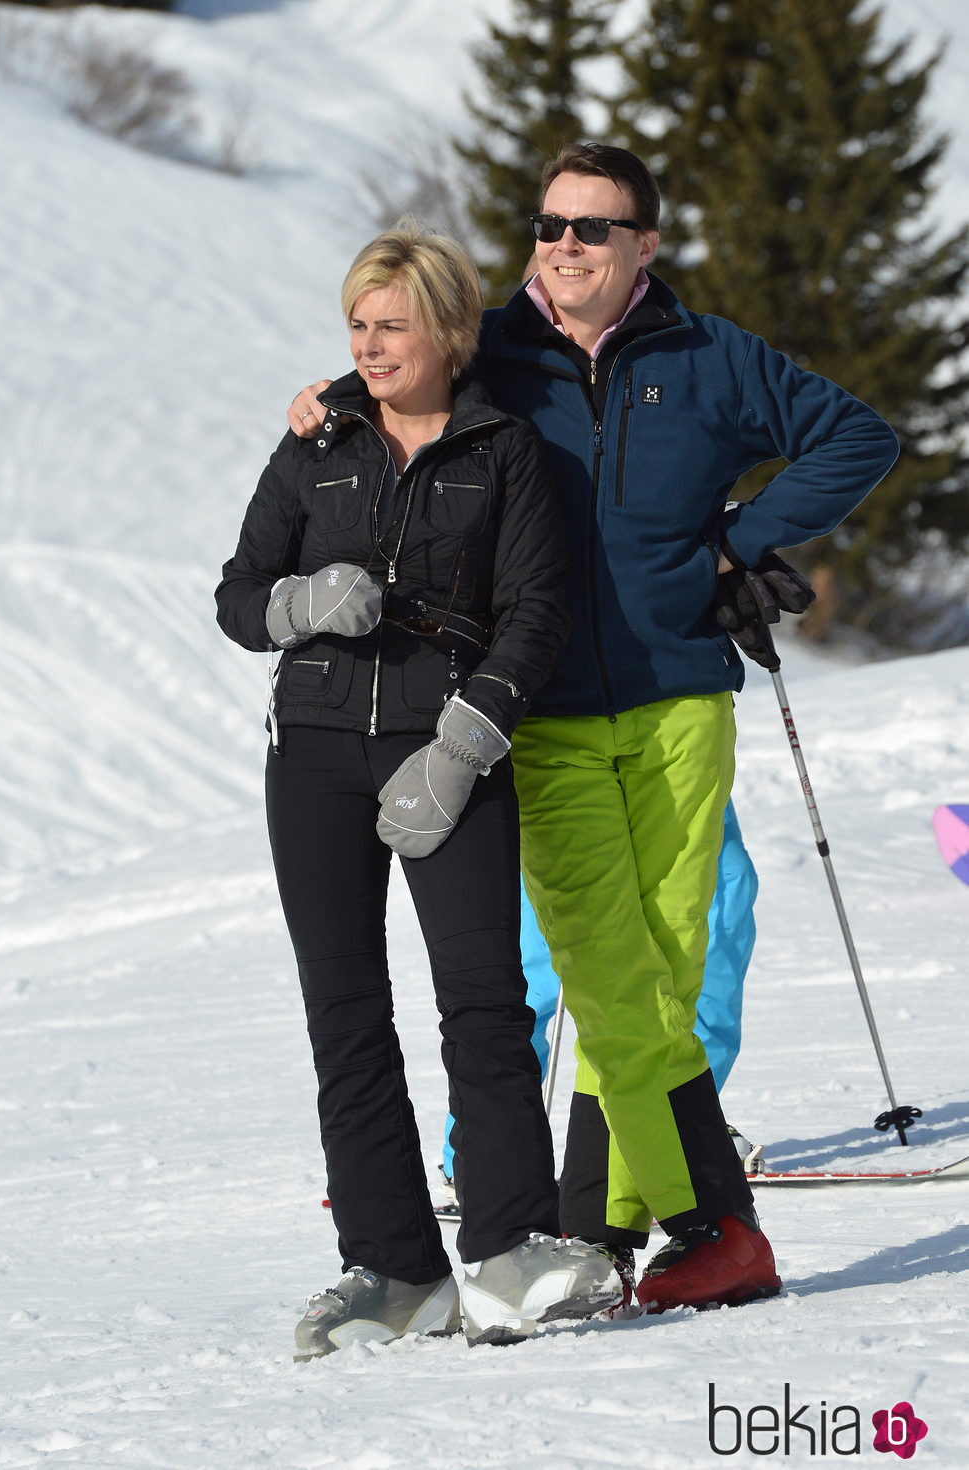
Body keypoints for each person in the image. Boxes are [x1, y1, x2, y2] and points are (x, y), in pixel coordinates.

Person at [287, 143, 900, 1315]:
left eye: (592, 228)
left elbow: (855, 438)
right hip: (545, 709)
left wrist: (742, 535)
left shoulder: (708, 356)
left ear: (642, 248)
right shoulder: (492, 357)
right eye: (548, 222)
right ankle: (717, 1226)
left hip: (680, 698)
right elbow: (395, 376)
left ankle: (602, 1220)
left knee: (662, 969)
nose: (563, 244)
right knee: (607, 970)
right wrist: (331, 397)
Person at [216, 218, 625, 1360]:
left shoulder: (505, 453)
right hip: (311, 760)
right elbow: (239, 592)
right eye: (358, 324)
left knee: (483, 1005)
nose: (372, 344)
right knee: (343, 1016)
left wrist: (460, 742)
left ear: (447, 329)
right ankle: (394, 1271)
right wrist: (298, 606)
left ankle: (506, 1253)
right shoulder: (316, 444)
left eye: (393, 324)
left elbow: (534, 616)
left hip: (447, 752)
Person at [439, 798, 758, 1206]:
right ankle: (480, 1148)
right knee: (538, 963)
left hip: (678, 747)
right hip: (563, 750)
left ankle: (686, 1124)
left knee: (721, 900)